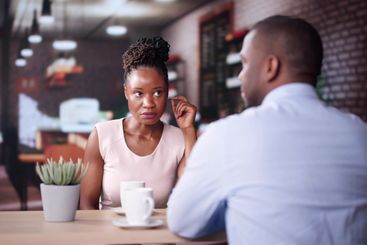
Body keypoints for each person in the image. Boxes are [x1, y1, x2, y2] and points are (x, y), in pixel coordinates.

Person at [167, 15, 367, 244]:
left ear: (270, 66)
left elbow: (183, 222)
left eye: (244, 63)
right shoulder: (360, 134)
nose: (240, 75)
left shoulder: (228, 135)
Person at [80, 37, 197, 210]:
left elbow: (194, 191)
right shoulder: (102, 136)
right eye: (139, 93)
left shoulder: (179, 139)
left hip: (160, 235)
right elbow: (86, 204)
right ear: (126, 92)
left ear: (167, 92)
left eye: (158, 93)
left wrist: (188, 129)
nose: (149, 103)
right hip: (109, 235)